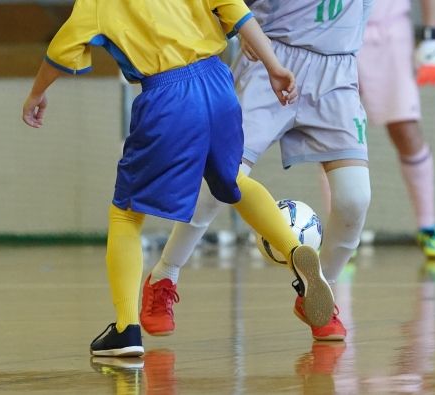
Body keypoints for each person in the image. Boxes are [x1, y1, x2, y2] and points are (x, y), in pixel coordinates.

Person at [22, 0, 335, 357]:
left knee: (125, 212)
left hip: (167, 95)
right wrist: (275, 67)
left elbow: (60, 51)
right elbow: (236, 10)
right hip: (218, 85)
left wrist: (37, 92)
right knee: (231, 182)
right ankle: (295, 252)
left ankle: (126, 329)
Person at [140, 0, 374, 342]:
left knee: (355, 199)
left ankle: (318, 294)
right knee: (219, 182)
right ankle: (164, 275)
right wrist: (240, 27)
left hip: (336, 73)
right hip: (272, 60)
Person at [350, 0, 435, 258]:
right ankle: (342, 236)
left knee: (405, 128)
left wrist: (432, 36)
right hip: (336, 29)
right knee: (336, 133)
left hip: (389, 29)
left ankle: (428, 226)